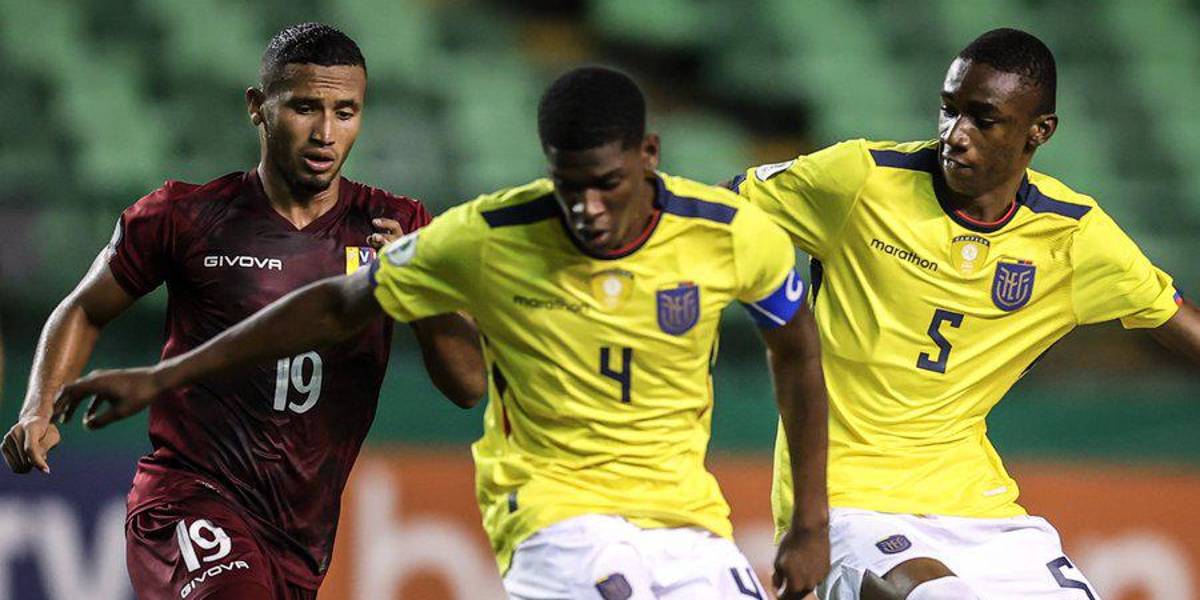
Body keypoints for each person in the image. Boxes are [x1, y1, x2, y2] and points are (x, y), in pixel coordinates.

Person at [53, 66, 832, 600]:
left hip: (687, 519)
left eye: (607, 185)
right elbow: (337, 306)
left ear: (649, 156)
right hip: (552, 510)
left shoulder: (731, 235)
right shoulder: (488, 235)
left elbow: (798, 352)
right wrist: (164, 375)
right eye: (570, 187)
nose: (587, 209)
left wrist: (810, 524)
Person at [1, 22, 483, 600]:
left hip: (300, 534)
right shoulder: (185, 215)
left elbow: (468, 386)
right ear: (258, 106)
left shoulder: (398, 227)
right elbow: (84, 308)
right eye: (304, 108)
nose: (325, 133)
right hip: (188, 497)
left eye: (345, 112)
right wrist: (38, 407)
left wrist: (418, 286)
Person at [728, 27, 1200, 600]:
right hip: (849, 502)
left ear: (1039, 131)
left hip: (980, 510)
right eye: (949, 110)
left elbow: (1178, 324)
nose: (956, 134)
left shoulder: (1072, 238)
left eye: (983, 119)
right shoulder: (861, 180)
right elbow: (709, 217)